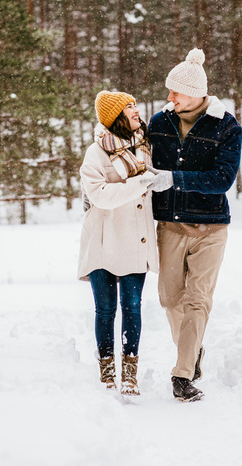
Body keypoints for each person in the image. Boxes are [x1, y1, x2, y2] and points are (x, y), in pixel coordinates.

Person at [147, 49, 242, 402]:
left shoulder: (226, 126)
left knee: (198, 300)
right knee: (171, 299)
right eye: (169, 92)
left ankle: (183, 374)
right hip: (170, 227)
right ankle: (193, 349)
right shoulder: (159, 122)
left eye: (176, 92)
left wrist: (175, 178)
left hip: (211, 228)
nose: (169, 98)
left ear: (197, 94)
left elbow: (222, 179)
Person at [78, 90, 158, 396]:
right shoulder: (95, 153)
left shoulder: (145, 148)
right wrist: (140, 182)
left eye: (136, 105)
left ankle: (130, 373)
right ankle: (107, 370)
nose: (136, 111)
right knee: (106, 310)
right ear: (116, 116)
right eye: (129, 107)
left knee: (133, 307)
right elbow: (99, 195)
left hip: (134, 239)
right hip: (101, 241)